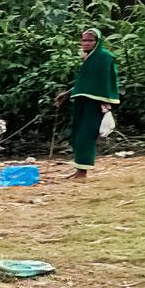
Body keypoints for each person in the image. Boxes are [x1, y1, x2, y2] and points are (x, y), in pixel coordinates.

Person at [53, 28, 120, 179]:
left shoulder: (105, 57)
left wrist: (106, 102)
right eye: (83, 40)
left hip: (95, 103)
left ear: (97, 42)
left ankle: (82, 172)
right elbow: (85, 82)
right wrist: (67, 93)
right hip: (81, 100)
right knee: (77, 133)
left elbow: (108, 81)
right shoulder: (88, 57)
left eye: (90, 40)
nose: (86, 43)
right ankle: (79, 169)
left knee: (86, 135)